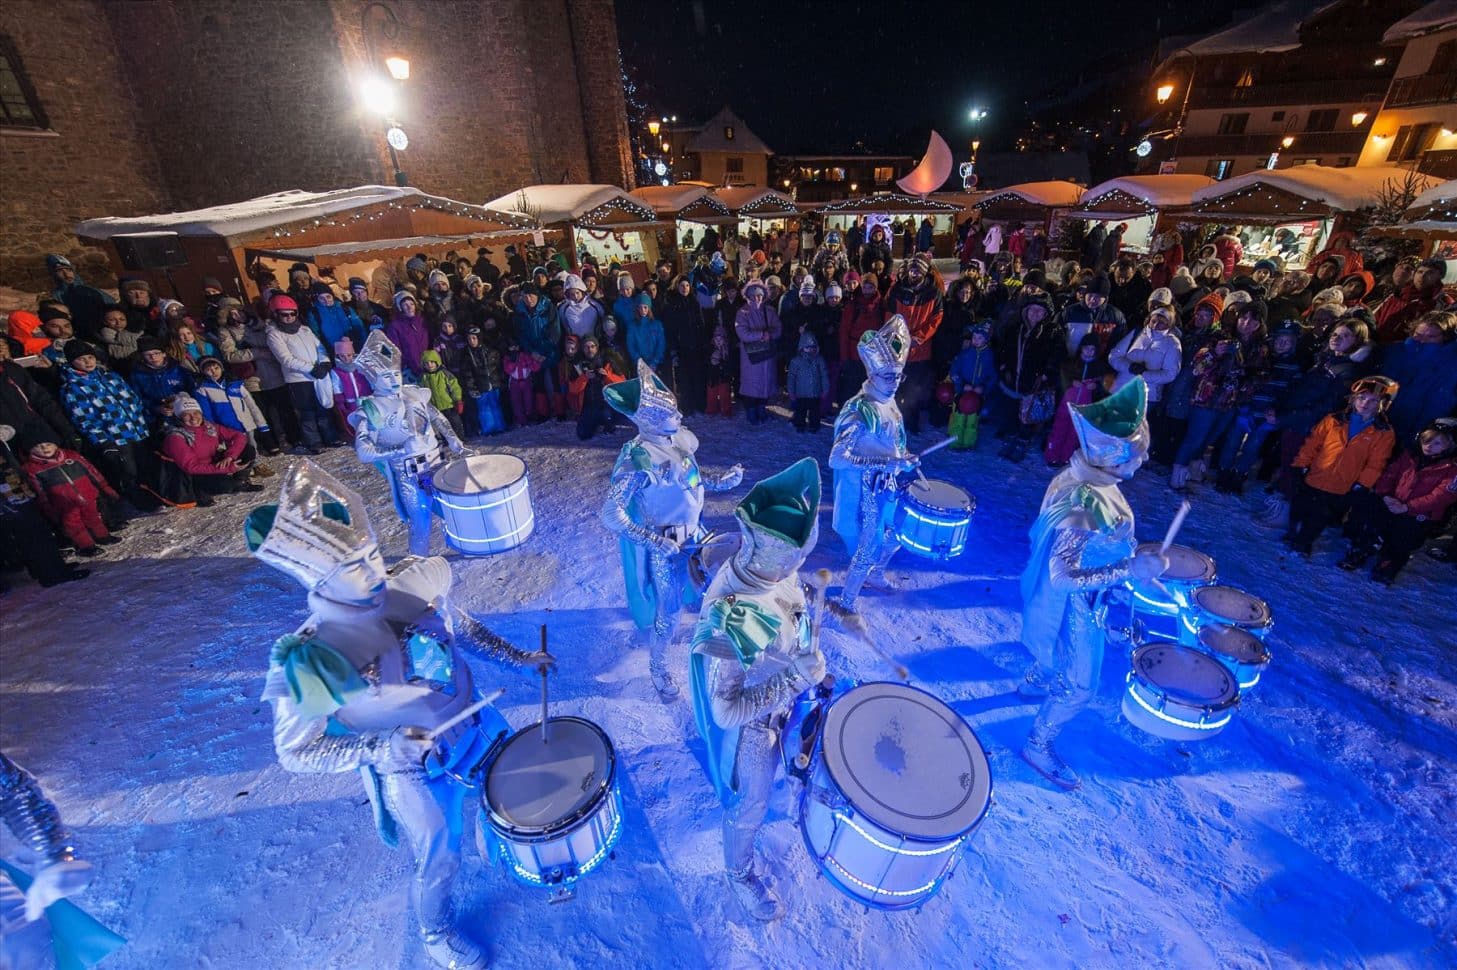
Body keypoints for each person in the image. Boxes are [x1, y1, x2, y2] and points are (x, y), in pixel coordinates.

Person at [248, 461, 537, 970]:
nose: (375, 573)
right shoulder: (311, 657)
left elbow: (462, 629)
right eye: (355, 568)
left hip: (475, 717)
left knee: (515, 786)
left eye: (372, 556)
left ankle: (498, 839)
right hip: (412, 765)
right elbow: (294, 753)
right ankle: (435, 932)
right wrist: (380, 748)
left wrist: (519, 658)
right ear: (323, 581)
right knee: (440, 853)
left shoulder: (408, 584)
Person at [689, 457, 825, 922]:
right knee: (752, 803)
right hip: (755, 729)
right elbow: (726, 711)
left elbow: (791, 615)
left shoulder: (775, 570)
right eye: (793, 557)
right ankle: (738, 872)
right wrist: (793, 678)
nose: (796, 566)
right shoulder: (730, 616)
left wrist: (809, 662)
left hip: (790, 697)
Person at [1019, 378, 1166, 790]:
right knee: (1080, 686)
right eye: (1135, 457)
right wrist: (1128, 570)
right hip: (1079, 605)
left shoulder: (1088, 480)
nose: (1143, 461)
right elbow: (1062, 576)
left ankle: (1034, 680)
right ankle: (1037, 744)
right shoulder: (1084, 500)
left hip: (1079, 599)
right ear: (1111, 458)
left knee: (1051, 650)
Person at [601, 362, 744, 698]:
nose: (679, 417)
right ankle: (658, 667)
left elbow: (690, 481)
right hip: (667, 547)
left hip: (697, 533)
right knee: (670, 612)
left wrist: (722, 482)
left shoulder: (676, 440)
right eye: (671, 413)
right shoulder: (639, 461)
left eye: (676, 410)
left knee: (723, 583)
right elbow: (610, 513)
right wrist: (652, 541)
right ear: (649, 420)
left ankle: (718, 647)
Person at [351, 331, 468, 557]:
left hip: (436, 465)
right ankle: (417, 562)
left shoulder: (413, 394)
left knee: (454, 511)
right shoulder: (371, 410)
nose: (395, 380)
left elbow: (436, 416)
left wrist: (454, 439)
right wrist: (399, 450)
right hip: (409, 475)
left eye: (395, 374)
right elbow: (364, 452)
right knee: (420, 520)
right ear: (374, 379)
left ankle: (468, 546)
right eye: (386, 376)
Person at [830, 316, 919, 611]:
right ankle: (846, 601)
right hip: (867, 492)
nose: (895, 383)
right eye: (888, 376)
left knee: (896, 536)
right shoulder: (859, 410)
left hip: (888, 487)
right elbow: (837, 458)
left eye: (898, 376)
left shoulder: (889, 401)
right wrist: (881, 463)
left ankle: (876, 575)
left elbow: (894, 442)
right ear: (872, 373)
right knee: (867, 547)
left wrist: (904, 458)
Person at [1286, 376, 1399, 557]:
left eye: (1372, 401)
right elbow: (1313, 443)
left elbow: (1376, 462)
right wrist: (1301, 463)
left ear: (1382, 405)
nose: (1365, 403)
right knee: (1301, 505)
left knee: (1321, 515)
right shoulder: (1334, 420)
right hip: (1316, 474)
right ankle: (1293, 532)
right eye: (1362, 398)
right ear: (1353, 398)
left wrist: (1363, 483)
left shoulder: (1383, 432)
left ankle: (1304, 542)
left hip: (1342, 483)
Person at [1338, 419, 1457, 583]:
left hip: (1418, 514)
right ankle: (1357, 554)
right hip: (1392, 503)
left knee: (1401, 543)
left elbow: (1441, 496)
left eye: (1437, 443)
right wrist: (1385, 494)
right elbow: (1390, 475)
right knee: (1372, 528)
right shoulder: (1409, 456)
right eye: (1427, 440)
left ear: (1449, 446)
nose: (1429, 446)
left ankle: (1386, 569)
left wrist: (1408, 507)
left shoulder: (1451, 469)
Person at [57, 341, 155, 511]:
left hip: (137, 430)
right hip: (115, 437)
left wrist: (140, 416)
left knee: (145, 464)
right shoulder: (73, 387)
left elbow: (132, 398)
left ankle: (154, 494)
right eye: (81, 359)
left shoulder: (111, 376)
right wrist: (103, 441)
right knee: (128, 471)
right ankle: (136, 500)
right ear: (71, 362)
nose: (88, 362)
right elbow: (83, 419)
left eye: (90, 357)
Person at [20, 432, 120, 556]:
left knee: (94, 517)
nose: (45, 448)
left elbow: (92, 472)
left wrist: (104, 487)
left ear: (55, 444)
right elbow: (39, 491)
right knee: (73, 525)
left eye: (48, 444)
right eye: (38, 446)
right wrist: (48, 508)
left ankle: (102, 536)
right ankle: (86, 546)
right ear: (30, 450)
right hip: (63, 504)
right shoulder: (32, 469)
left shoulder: (72, 456)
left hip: (87, 495)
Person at [265, 294, 337, 455]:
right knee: (307, 411)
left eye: (293, 313)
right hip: (299, 379)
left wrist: (324, 361)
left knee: (323, 406)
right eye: (285, 314)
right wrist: (310, 368)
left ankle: (330, 437)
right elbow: (286, 359)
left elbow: (319, 346)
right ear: (276, 314)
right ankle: (314, 441)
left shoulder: (304, 329)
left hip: (318, 376)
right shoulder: (274, 334)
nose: (289, 317)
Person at [995, 294, 1063, 464]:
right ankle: (1010, 438)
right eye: (1033, 310)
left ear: (1046, 314)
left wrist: (1046, 374)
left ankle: (1022, 442)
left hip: (1034, 382)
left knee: (1028, 415)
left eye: (1040, 311)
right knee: (1011, 411)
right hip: (1012, 378)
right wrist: (1003, 367)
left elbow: (1057, 357)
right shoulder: (1015, 328)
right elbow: (1002, 349)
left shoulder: (1053, 332)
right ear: (1026, 311)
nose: (1036, 314)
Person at [883, 254, 945, 434]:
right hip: (898, 348)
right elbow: (889, 313)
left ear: (924, 273)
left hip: (920, 350)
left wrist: (919, 337)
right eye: (912, 270)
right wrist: (896, 336)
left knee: (914, 390)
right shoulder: (897, 289)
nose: (914, 274)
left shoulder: (933, 293)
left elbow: (936, 318)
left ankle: (912, 421)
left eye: (917, 271)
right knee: (896, 387)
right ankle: (894, 420)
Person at [1376, 311, 1457, 445]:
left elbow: (1440, 404)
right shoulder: (1396, 353)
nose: (1421, 340)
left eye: (1431, 337)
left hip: (1417, 430)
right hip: (1381, 423)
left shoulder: (1451, 365)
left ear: (1446, 338)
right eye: (1418, 334)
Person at [1044, 334, 1112, 466]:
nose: (1089, 352)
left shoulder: (1099, 367)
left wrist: (1096, 386)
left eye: (1093, 349)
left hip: (1084, 408)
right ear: (1081, 348)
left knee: (1075, 434)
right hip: (1066, 405)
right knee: (1059, 430)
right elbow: (1060, 379)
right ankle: (1052, 456)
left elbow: (1106, 386)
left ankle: (1066, 458)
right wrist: (1071, 382)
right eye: (1086, 348)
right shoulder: (1070, 363)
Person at [192, 355, 279, 459]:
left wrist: (261, 424)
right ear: (203, 372)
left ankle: (256, 464)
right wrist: (213, 431)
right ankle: (243, 470)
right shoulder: (203, 389)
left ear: (222, 368)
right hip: (226, 428)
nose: (214, 372)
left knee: (252, 447)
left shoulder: (236, 385)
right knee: (235, 450)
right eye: (208, 370)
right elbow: (207, 414)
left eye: (216, 368)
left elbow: (252, 406)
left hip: (246, 424)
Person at [735, 280, 781, 425]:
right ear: (748, 295)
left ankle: (761, 408)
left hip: (767, 355)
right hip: (751, 357)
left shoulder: (770, 311)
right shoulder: (743, 312)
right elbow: (742, 332)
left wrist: (770, 334)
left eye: (759, 295)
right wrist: (761, 335)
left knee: (765, 383)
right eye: (753, 295)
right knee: (751, 385)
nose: (757, 298)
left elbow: (778, 328)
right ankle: (751, 411)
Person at [1372, 257, 1449, 343]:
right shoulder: (1398, 295)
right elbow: (1374, 318)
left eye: (1430, 273)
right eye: (1420, 272)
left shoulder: (1441, 303)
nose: (1423, 276)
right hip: (1377, 345)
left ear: (1439, 277)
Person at [947, 322, 995, 449]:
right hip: (962, 393)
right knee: (959, 418)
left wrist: (984, 388)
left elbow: (993, 376)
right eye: (974, 337)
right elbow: (954, 371)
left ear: (986, 339)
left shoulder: (989, 356)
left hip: (977, 395)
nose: (976, 340)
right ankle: (955, 443)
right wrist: (961, 385)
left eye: (980, 338)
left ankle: (969, 443)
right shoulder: (965, 353)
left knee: (972, 421)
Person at [128, 337, 193, 429]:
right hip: (156, 420)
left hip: (184, 414)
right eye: (148, 354)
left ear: (164, 354)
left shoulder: (179, 370)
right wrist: (156, 408)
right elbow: (136, 398)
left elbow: (192, 390)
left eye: (156, 353)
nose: (153, 357)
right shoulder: (137, 375)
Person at [460, 327, 505, 436]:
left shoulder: (489, 351)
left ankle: (500, 426)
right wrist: (472, 387)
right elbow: (468, 374)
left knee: (496, 405)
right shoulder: (468, 355)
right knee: (484, 409)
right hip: (480, 386)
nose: (472, 341)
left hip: (493, 384)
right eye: (469, 339)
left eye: (474, 338)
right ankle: (489, 429)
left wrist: (501, 380)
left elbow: (497, 367)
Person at [327, 338, 372, 442]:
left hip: (366, 398)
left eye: (349, 355)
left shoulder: (360, 367)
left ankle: (372, 435)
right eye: (342, 356)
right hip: (351, 401)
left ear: (353, 354)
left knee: (369, 417)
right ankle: (360, 437)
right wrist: (340, 401)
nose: (346, 358)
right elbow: (337, 386)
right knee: (356, 420)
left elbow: (369, 379)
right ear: (338, 356)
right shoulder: (337, 371)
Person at [786, 331, 829, 432]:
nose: (810, 349)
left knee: (815, 412)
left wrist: (825, 389)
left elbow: (824, 375)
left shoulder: (819, 360)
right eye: (807, 347)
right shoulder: (796, 361)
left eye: (812, 347)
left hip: (815, 393)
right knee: (801, 411)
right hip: (801, 394)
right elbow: (791, 377)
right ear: (801, 348)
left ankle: (814, 426)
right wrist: (791, 391)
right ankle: (800, 425)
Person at [418, 350, 466, 441]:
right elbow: (422, 391)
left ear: (437, 362)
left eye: (432, 362)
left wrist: (458, 400)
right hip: (435, 408)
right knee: (441, 426)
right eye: (427, 363)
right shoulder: (423, 377)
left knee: (455, 423)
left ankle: (460, 438)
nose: (430, 365)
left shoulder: (444, 374)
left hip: (449, 405)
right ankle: (446, 440)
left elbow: (454, 387)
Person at [502, 339, 540, 427]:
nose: (514, 349)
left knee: (529, 400)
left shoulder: (524, 356)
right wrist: (513, 361)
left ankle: (529, 415)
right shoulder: (507, 357)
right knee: (516, 402)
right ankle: (521, 420)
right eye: (512, 347)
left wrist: (537, 361)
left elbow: (534, 367)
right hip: (514, 382)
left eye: (516, 346)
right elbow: (508, 370)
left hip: (526, 381)